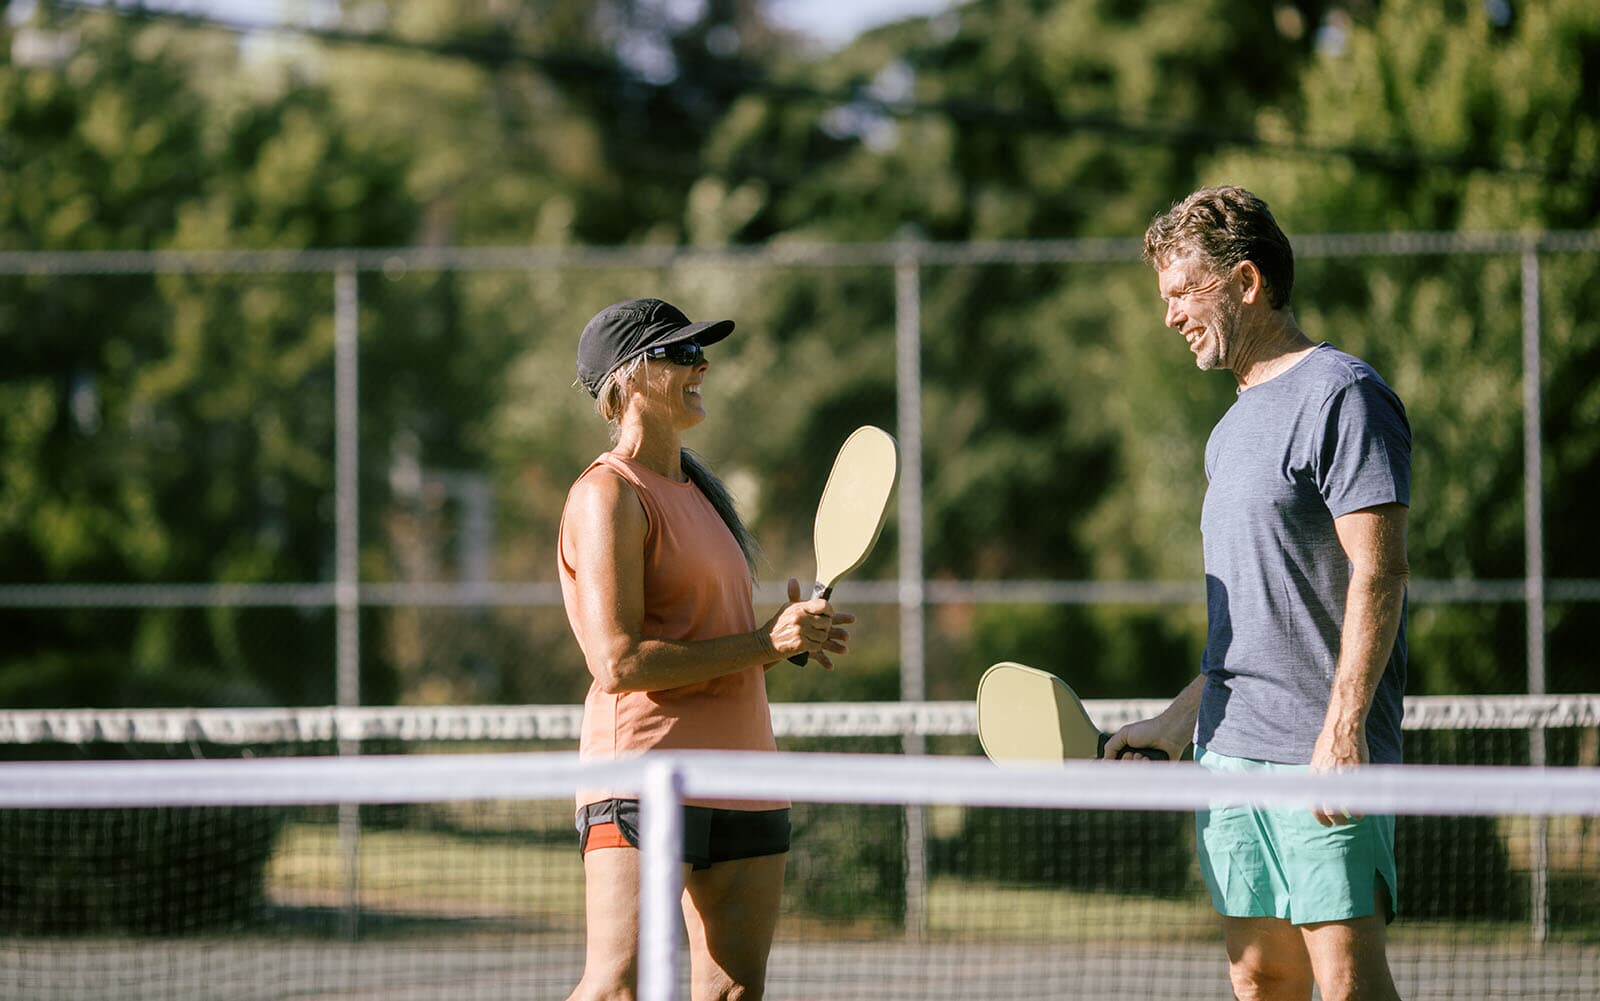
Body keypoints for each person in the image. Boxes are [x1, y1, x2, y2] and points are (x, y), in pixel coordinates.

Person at [1104, 187, 1411, 1001]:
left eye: (1181, 291)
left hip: (1323, 758)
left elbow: (1380, 573)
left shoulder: (1345, 394)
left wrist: (1342, 733)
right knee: (1258, 977)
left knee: (1346, 983)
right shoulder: (1229, 428)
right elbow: (1246, 633)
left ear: (1245, 281)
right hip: (1228, 757)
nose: (1168, 315)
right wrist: (1173, 726)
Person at [557, 296, 852, 1001]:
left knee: (732, 993)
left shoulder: (704, 495)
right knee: (617, 988)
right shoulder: (608, 494)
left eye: (700, 352)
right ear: (627, 379)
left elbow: (722, 635)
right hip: (646, 777)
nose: (702, 364)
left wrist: (788, 636)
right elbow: (618, 663)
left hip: (746, 777)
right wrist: (760, 641)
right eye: (681, 354)